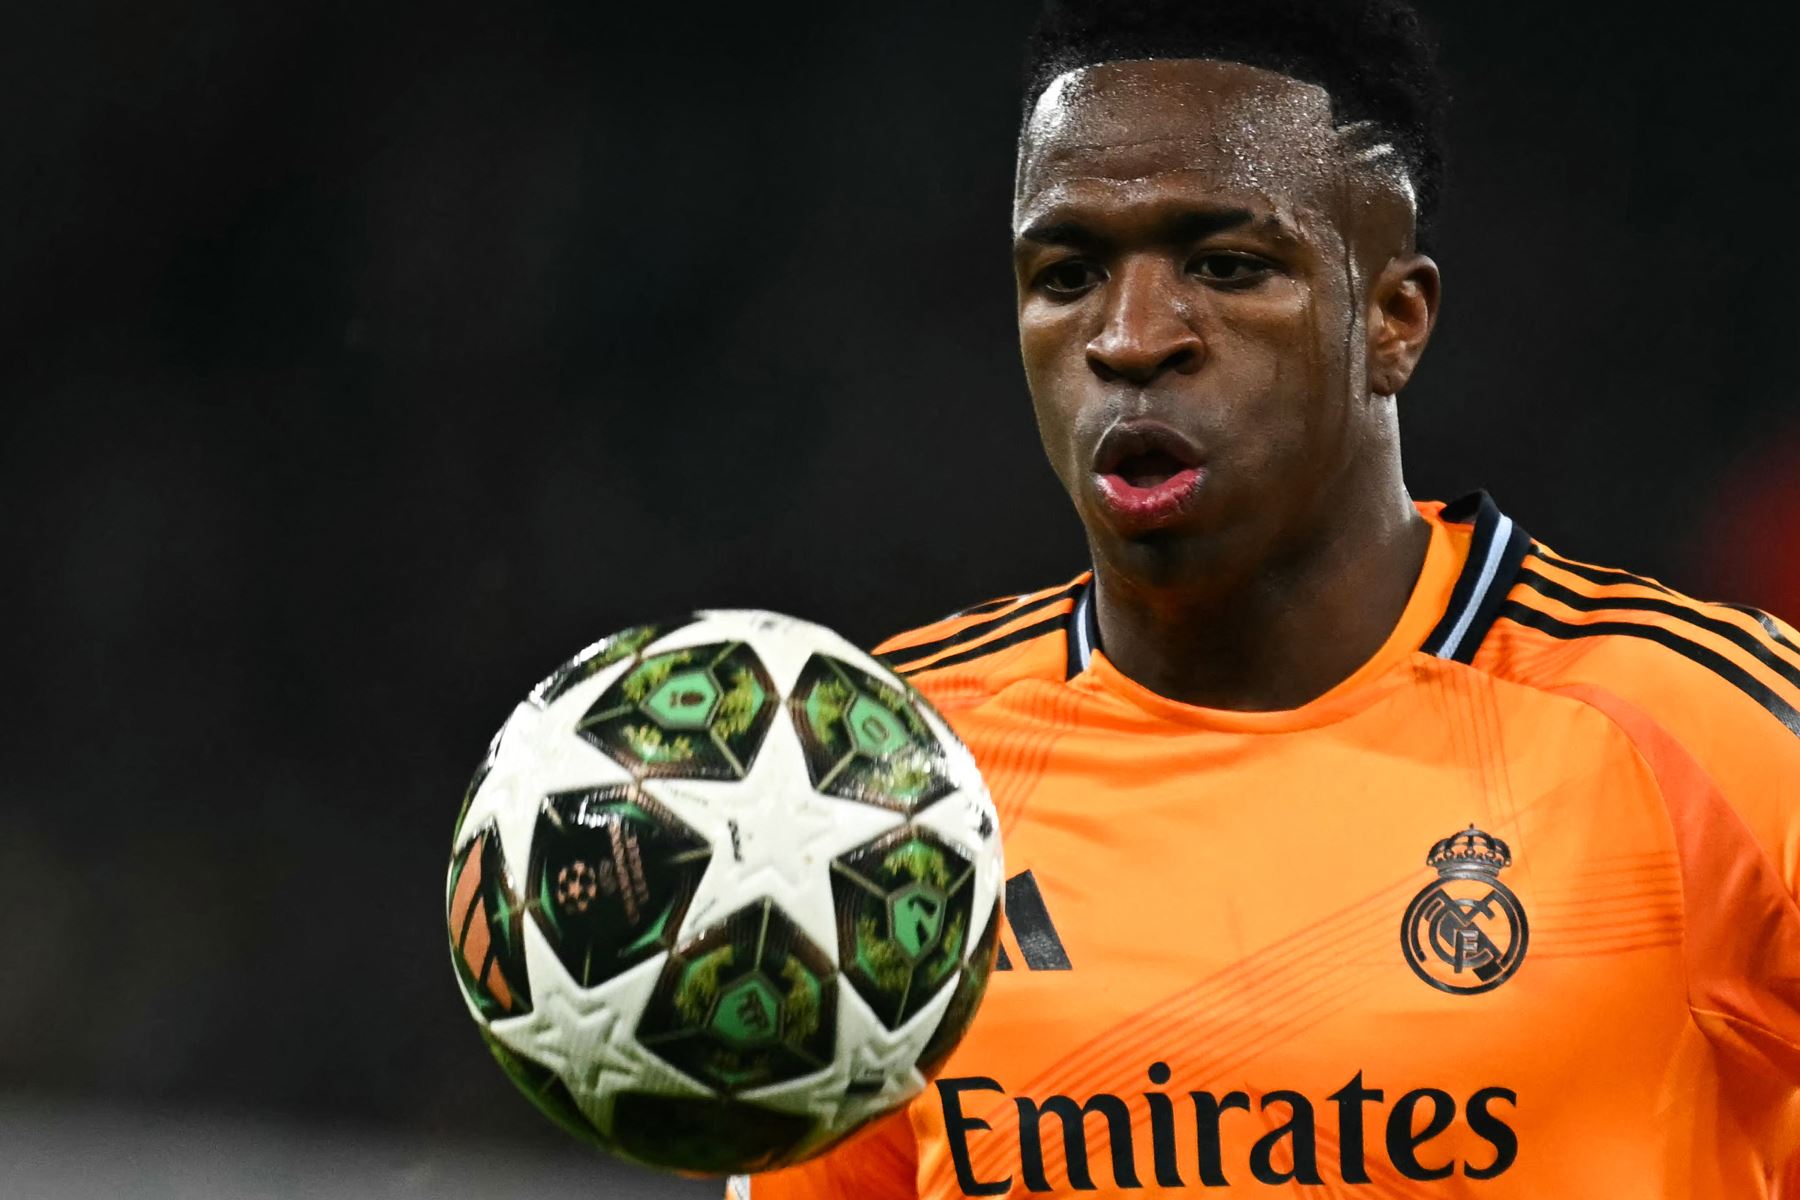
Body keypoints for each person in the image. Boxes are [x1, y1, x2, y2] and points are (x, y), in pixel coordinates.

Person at [734, 0, 1800, 1194]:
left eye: (1228, 267)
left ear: (1394, 320)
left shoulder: (1706, 738)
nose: (1131, 338)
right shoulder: (888, 776)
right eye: (1068, 273)